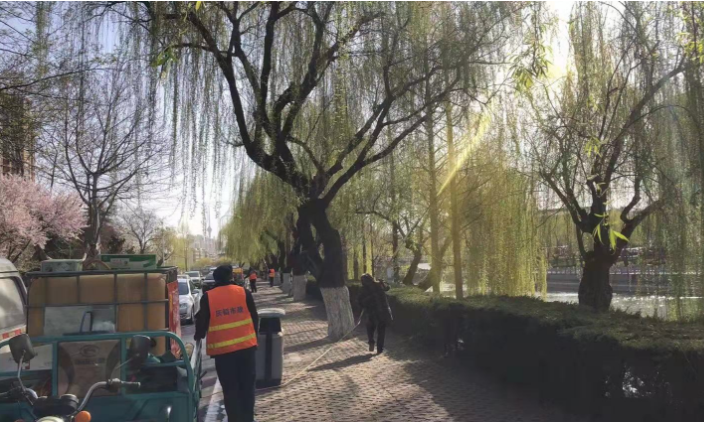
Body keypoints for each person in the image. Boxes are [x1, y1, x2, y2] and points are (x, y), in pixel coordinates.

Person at [195, 265, 259, 422]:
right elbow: (255, 317)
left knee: (231, 391)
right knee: (247, 389)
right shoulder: (244, 292)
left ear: (215, 279)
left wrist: (199, 335)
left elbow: (201, 323)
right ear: (231, 276)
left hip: (224, 355)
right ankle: (248, 419)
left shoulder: (208, 297)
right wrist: (254, 339)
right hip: (247, 350)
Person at [357, 273, 392, 354]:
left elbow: (359, 302)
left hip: (372, 312)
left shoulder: (363, 289)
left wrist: (364, 305)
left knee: (370, 329)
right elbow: (387, 288)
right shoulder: (378, 285)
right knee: (381, 331)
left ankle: (371, 342)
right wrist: (382, 283)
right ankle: (379, 349)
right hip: (382, 311)